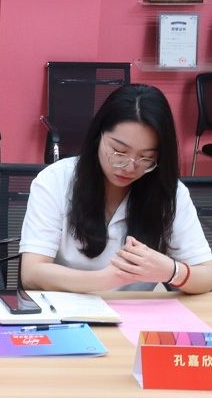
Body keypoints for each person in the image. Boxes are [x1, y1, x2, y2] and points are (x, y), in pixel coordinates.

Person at [20, 83, 212, 294]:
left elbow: (207, 274)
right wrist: (108, 279)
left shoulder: (169, 193)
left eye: (146, 158)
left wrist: (172, 271)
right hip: (64, 309)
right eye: (119, 151)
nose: (129, 167)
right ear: (99, 136)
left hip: (133, 313)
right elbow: (31, 273)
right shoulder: (56, 181)